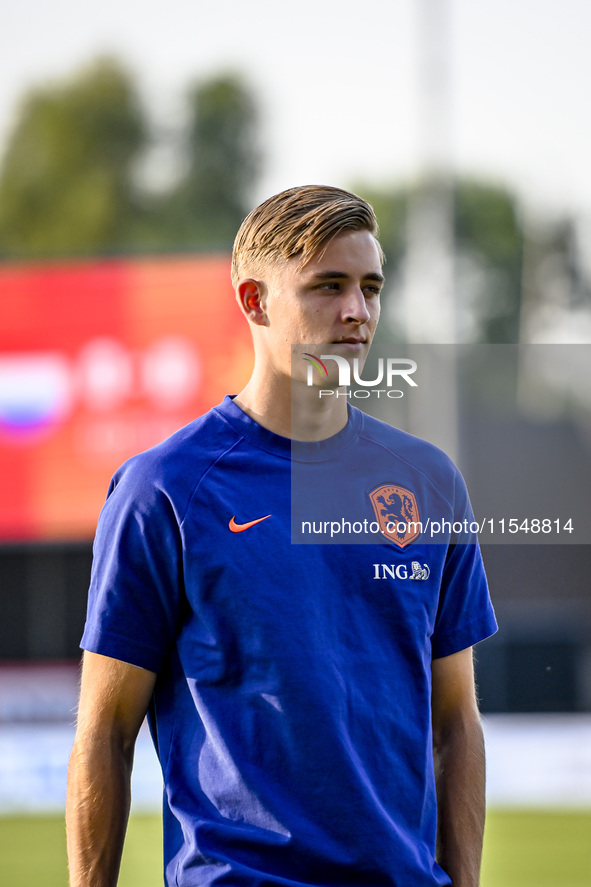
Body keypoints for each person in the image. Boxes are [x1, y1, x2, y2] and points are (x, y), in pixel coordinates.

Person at [66, 185, 497, 887]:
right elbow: (104, 733)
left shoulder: (428, 481)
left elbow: (454, 721)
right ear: (254, 300)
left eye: (369, 287)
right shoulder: (164, 489)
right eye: (327, 286)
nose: (356, 311)